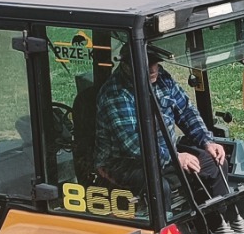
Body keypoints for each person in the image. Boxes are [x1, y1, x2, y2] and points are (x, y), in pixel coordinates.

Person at [95, 43, 231, 208]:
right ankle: (165, 230)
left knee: (215, 162)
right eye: (146, 65)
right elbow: (133, 144)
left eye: (155, 63)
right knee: (159, 187)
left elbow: (186, 111)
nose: (153, 69)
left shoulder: (162, 79)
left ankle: (217, 222)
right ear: (126, 66)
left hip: (164, 151)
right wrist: (175, 157)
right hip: (123, 162)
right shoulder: (115, 94)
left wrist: (206, 141)